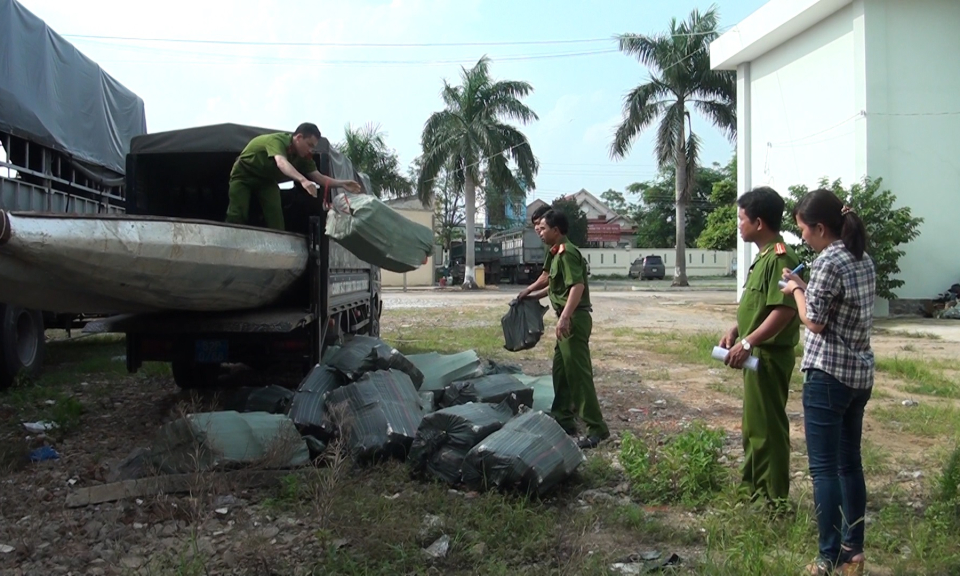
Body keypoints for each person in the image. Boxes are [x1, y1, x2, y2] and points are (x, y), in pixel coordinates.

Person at [780, 189, 874, 576]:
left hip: (828, 375)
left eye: (803, 230)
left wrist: (796, 290)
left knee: (823, 469)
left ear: (820, 228)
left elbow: (815, 321)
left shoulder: (827, 261)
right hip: (859, 374)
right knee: (850, 462)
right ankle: (853, 547)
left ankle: (827, 554)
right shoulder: (862, 257)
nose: (802, 238)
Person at [720, 187, 802, 505]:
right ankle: (753, 488)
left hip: (768, 354)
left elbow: (784, 310)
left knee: (768, 428)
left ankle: (772, 499)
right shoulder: (764, 257)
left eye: (741, 219)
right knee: (754, 426)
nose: (738, 225)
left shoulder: (782, 258)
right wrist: (737, 329)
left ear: (758, 222)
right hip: (756, 352)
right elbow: (761, 305)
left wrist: (748, 341)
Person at [518, 210, 609, 449]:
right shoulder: (555, 253)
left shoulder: (567, 253)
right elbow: (550, 282)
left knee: (578, 375)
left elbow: (576, 287)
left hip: (574, 319)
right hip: (567, 319)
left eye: (543, 228)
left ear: (556, 231)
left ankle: (596, 428)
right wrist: (529, 294)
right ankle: (563, 417)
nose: (540, 232)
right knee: (561, 372)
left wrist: (565, 317)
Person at [225, 122, 361, 231]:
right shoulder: (277, 140)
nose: (310, 150)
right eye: (309, 145)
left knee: (276, 217)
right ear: (299, 137)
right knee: (238, 212)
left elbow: (318, 177)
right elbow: (281, 163)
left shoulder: (304, 157)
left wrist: (342, 183)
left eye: (313, 147)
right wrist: (302, 180)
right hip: (244, 174)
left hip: (266, 180)